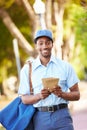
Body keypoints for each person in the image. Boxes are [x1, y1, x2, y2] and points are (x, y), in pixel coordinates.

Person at [18, 29, 80, 130]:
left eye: (48, 42)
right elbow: (24, 99)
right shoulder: (27, 70)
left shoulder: (65, 66)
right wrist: (39, 96)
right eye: (41, 43)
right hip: (40, 118)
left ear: (52, 44)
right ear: (36, 46)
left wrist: (62, 94)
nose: (45, 46)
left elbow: (77, 94)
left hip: (62, 116)